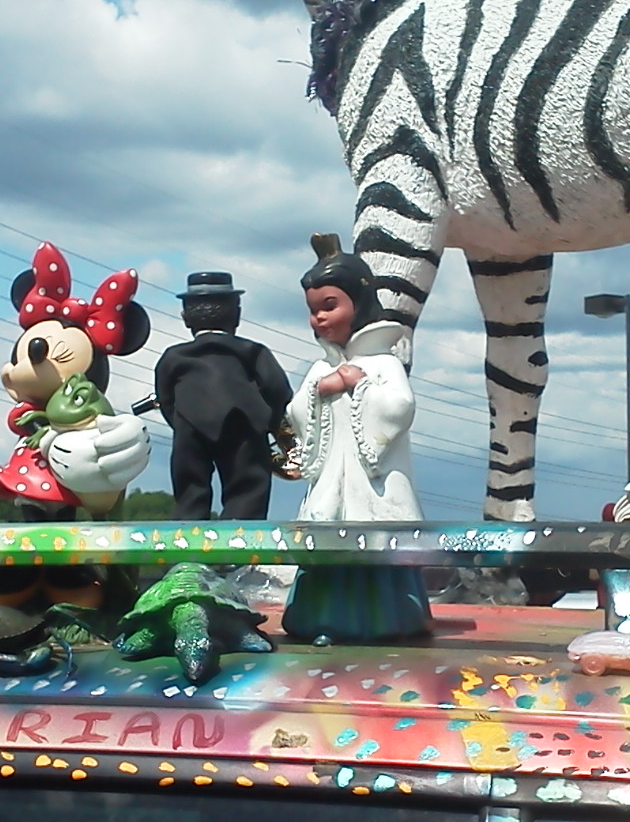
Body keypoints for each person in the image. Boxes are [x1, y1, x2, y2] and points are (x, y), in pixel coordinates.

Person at [281, 235, 430, 643]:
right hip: (331, 486)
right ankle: (322, 620)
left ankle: (392, 619)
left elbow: (399, 408)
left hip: (373, 488)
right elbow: (296, 414)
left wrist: (357, 383)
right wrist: (318, 391)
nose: (319, 318)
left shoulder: (383, 362)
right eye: (313, 310)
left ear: (358, 302)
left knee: (379, 547)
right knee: (327, 544)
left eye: (329, 306)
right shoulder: (319, 369)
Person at [153, 273, 294, 519]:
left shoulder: (174, 356)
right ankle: (241, 530)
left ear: (186, 317)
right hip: (245, 421)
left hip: (190, 423)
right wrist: (268, 422)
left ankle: (188, 527)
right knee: (247, 484)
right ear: (236, 314)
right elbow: (278, 390)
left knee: (190, 482)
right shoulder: (253, 351)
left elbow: (165, 396)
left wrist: (180, 422)